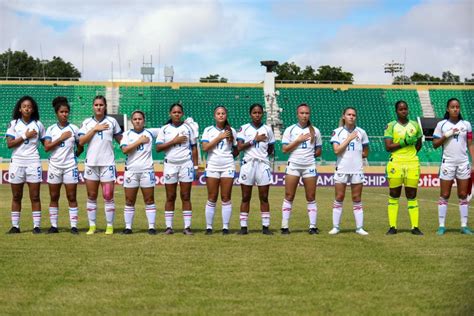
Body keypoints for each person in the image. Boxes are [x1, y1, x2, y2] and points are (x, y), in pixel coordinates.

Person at [78, 96, 122, 235]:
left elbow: (121, 139)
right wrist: (95, 129)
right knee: (91, 195)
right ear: (93, 106)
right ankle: (92, 226)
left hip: (107, 163)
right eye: (96, 104)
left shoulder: (112, 121)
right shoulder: (87, 122)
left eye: (101, 105)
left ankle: (109, 226)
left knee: (108, 195)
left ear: (105, 106)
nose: (98, 107)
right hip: (91, 164)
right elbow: (81, 141)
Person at [156, 103, 198, 235]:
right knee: (170, 196)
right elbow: (158, 148)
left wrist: (196, 166)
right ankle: (169, 227)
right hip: (170, 165)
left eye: (179, 112)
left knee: (185, 196)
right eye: (174, 112)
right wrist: (174, 141)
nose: (176, 114)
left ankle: (187, 227)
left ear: (182, 114)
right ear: (170, 113)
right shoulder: (164, 129)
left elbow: (194, 148)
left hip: (186, 164)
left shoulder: (188, 128)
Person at [433, 98, 473, 235]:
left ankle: (464, 226)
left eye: (457, 107)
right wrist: (446, 135)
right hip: (447, 163)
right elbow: (435, 144)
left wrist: (473, 161)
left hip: (463, 162)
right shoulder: (441, 124)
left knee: (463, 195)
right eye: (452, 107)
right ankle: (442, 226)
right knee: (444, 194)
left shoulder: (466, 124)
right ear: (447, 109)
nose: (455, 109)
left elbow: (470, 144)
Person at [5, 96, 46, 234]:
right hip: (17, 162)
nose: (27, 108)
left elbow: (47, 144)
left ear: (33, 109)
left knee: (35, 196)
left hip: (33, 162)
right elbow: (10, 144)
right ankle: (15, 226)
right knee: (16, 196)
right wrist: (25, 136)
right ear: (20, 109)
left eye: (29, 106)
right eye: (24, 106)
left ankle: (36, 226)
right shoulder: (14, 123)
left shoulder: (39, 125)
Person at [280, 103, 322, 235]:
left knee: (310, 196)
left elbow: (319, 150)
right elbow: (285, 149)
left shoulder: (315, 131)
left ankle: (313, 226)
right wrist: (298, 140)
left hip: (309, 166)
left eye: (307, 113)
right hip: (294, 165)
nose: (304, 115)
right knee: (289, 195)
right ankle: (285, 226)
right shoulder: (290, 130)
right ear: (297, 114)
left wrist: (309, 156)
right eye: (302, 113)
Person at [44, 97, 83, 234]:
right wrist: (61, 138)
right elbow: (46, 147)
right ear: (57, 113)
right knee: (54, 196)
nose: (64, 114)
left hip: (70, 167)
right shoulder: (51, 129)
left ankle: (74, 226)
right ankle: (54, 226)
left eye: (66, 112)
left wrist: (74, 156)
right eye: (61, 112)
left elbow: (80, 146)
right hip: (54, 166)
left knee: (71, 196)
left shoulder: (74, 129)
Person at [384, 100, 423, 235]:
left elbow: (418, 144)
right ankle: (392, 226)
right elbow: (388, 147)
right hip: (396, 163)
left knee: (411, 194)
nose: (403, 111)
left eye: (405, 109)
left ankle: (415, 227)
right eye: (401, 109)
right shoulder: (391, 126)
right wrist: (404, 142)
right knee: (394, 194)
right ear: (396, 111)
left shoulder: (415, 125)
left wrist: (411, 154)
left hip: (412, 163)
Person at [329, 107, 369, 235]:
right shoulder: (337, 132)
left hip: (357, 169)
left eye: (353, 115)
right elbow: (336, 150)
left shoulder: (361, 132)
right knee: (339, 197)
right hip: (342, 168)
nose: (351, 117)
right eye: (349, 114)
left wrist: (357, 157)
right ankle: (336, 227)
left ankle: (359, 228)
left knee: (357, 198)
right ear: (343, 117)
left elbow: (366, 150)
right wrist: (349, 139)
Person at [236, 103, 275, 235]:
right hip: (248, 164)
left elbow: (270, 148)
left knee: (264, 197)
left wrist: (262, 156)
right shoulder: (244, 128)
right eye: (254, 112)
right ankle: (243, 227)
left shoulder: (268, 129)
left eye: (259, 112)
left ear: (262, 114)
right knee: (245, 196)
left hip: (263, 165)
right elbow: (239, 147)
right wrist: (255, 140)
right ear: (250, 114)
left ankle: (265, 227)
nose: (257, 115)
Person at [201, 106, 238, 235]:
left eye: (223, 113)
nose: (221, 115)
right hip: (212, 166)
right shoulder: (208, 130)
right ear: (214, 116)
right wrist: (219, 137)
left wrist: (227, 158)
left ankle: (225, 227)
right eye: (218, 113)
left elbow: (236, 149)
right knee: (212, 197)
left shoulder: (232, 130)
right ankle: (209, 227)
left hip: (227, 166)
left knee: (226, 197)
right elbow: (205, 147)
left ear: (226, 115)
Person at [120, 111, 158, 235]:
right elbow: (125, 149)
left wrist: (184, 122)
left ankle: (151, 227)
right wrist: (140, 141)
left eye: (140, 119)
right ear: (131, 121)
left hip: (147, 171)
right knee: (129, 200)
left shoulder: (150, 132)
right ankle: (128, 227)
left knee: (149, 199)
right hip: (131, 171)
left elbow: (167, 128)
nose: (137, 121)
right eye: (135, 119)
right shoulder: (126, 134)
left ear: (144, 120)